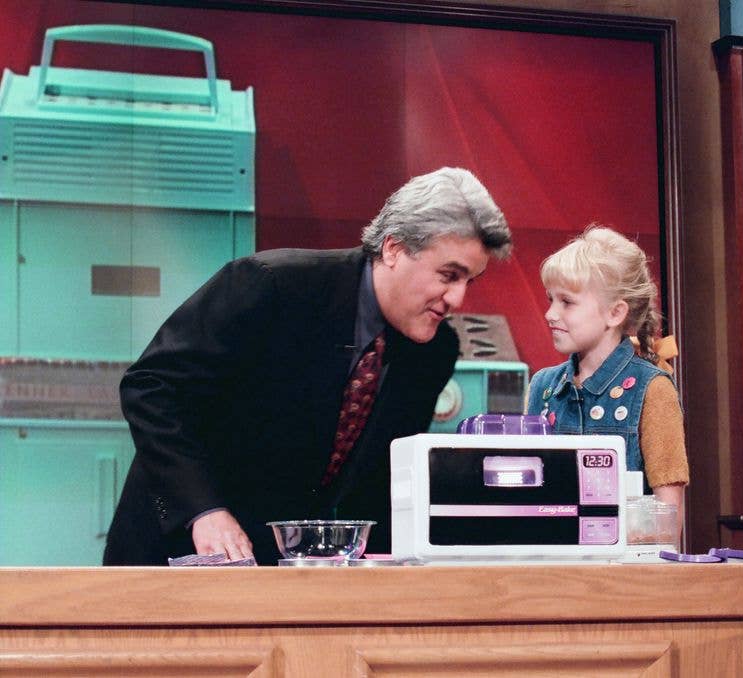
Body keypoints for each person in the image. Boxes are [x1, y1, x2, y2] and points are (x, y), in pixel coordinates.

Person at [103, 167, 512, 565]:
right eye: (448, 275)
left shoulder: (435, 350)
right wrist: (203, 510)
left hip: (289, 569)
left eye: (469, 281)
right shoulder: (271, 285)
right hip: (176, 547)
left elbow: (381, 484)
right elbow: (150, 386)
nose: (458, 299)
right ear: (393, 248)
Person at [526, 226, 688, 532]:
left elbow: (668, 515)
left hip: (626, 559)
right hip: (552, 557)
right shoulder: (542, 386)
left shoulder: (653, 389)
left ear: (615, 313)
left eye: (566, 302)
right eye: (551, 300)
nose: (550, 313)